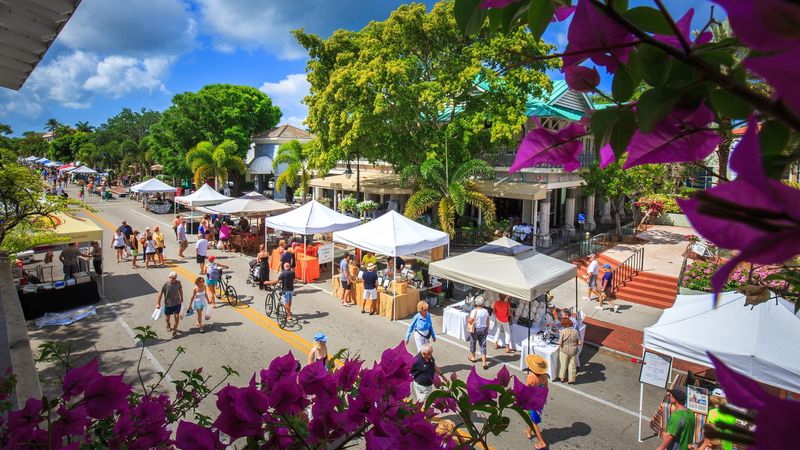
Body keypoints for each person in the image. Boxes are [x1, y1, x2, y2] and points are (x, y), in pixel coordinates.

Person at [524, 355, 549, 449]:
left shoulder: (530, 377)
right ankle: (528, 432)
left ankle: (541, 441)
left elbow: (527, 390)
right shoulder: (545, 376)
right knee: (532, 417)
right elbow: (546, 388)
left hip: (532, 401)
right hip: (540, 400)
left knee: (533, 421)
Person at [156, 272, 184, 338]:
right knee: (167, 318)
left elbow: (180, 290)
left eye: (174, 278)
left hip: (177, 303)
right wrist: (158, 303)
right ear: (169, 277)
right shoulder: (165, 284)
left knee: (177, 317)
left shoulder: (178, 282)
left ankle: (174, 332)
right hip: (168, 304)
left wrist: (182, 298)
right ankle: (168, 324)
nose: (173, 279)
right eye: (172, 278)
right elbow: (160, 294)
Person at [555, 318, 582, 384]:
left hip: (564, 350)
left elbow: (560, 343)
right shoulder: (575, 331)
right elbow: (579, 342)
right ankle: (571, 379)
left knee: (563, 364)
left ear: (565, 325)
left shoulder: (563, 331)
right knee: (572, 365)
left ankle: (562, 378)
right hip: (573, 350)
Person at [467, 297, 491, 369]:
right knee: (483, 345)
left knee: (473, 342)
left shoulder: (474, 311)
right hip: (483, 329)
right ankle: (484, 362)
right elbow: (487, 321)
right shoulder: (485, 311)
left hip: (475, 329)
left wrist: (470, 321)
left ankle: (473, 357)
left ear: (476, 303)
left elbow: (470, 321)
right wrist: (487, 329)